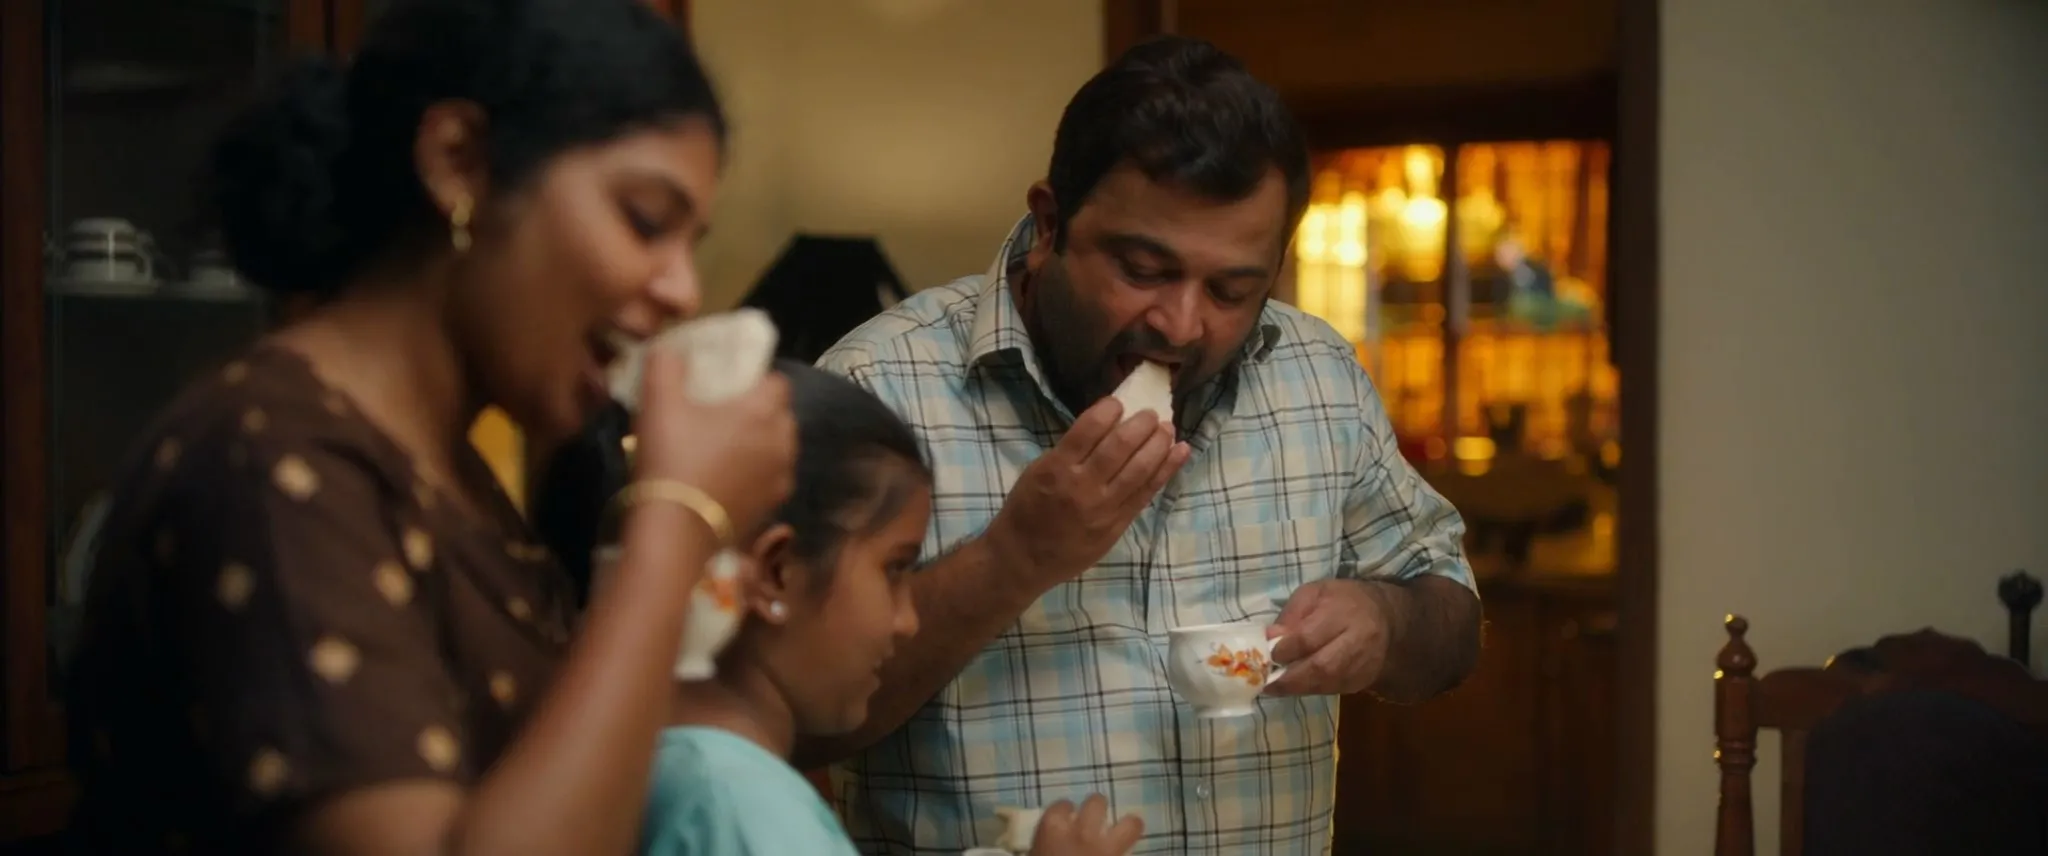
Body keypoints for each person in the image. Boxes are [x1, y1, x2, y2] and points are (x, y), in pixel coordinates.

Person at [62, 2, 797, 854]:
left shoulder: (456, 477)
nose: (682, 291)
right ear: (459, 163)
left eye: (690, 244)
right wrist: (674, 522)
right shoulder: (269, 459)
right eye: (644, 219)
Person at [804, 36, 1483, 854]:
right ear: (1050, 224)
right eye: (1142, 269)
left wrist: (1388, 622)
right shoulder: (879, 389)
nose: (1181, 325)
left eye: (1232, 289)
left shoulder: (1318, 375)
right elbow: (800, 719)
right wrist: (1014, 559)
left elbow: (1452, 620)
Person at [639, 362, 1144, 856]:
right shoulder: (741, 807)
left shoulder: (682, 771)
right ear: (777, 573)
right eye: (895, 570)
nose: (907, 620)